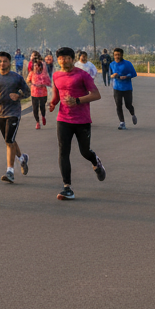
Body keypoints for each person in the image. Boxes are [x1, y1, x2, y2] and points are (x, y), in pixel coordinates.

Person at [47, 47, 105, 201]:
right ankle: (67, 187)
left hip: (82, 120)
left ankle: (95, 161)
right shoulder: (56, 75)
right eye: (60, 58)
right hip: (63, 119)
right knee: (63, 152)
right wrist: (53, 103)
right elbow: (57, 94)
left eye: (66, 58)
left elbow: (96, 95)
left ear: (72, 59)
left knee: (84, 152)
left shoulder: (83, 75)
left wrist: (77, 100)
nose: (63, 61)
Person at [0, 51, 30, 183]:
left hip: (14, 113)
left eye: (4, 61)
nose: (2, 63)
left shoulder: (16, 77)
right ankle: (22, 158)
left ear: (9, 62)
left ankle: (10, 171)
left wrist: (18, 96)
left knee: (9, 141)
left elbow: (27, 92)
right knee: (9, 140)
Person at [109, 47, 138, 130]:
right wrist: (113, 76)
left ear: (122, 55)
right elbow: (109, 75)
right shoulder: (112, 64)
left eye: (118, 55)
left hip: (127, 88)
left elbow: (134, 74)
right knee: (118, 105)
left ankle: (132, 114)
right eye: (115, 55)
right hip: (117, 88)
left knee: (128, 105)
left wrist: (126, 76)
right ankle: (122, 122)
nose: (117, 56)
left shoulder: (127, 64)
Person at [28, 58, 51, 128]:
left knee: (42, 106)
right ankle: (37, 122)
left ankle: (43, 116)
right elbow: (28, 80)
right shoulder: (31, 73)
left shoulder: (44, 74)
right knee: (35, 108)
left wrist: (43, 84)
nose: (36, 67)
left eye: (37, 65)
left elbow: (49, 83)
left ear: (41, 66)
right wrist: (31, 84)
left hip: (43, 93)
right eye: (34, 65)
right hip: (34, 93)